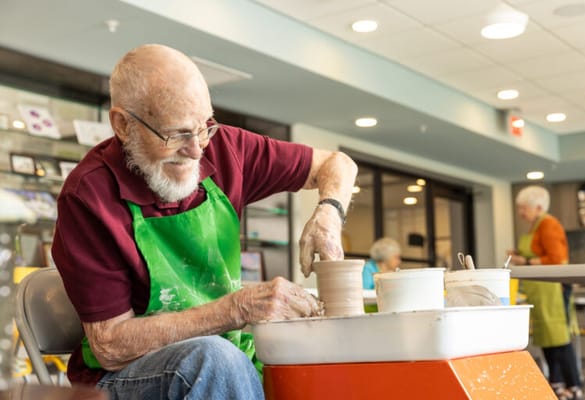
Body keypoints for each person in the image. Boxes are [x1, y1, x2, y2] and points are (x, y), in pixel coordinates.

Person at [51, 44, 357, 399]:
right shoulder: (88, 196)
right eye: (177, 134)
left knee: (317, 353)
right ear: (123, 124)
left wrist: (329, 212)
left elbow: (338, 164)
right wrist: (236, 308)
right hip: (123, 376)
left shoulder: (225, 147)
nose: (197, 149)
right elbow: (111, 345)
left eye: (204, 127)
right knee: (214, 359)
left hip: (225, 355)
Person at [508, 185, 582, 400]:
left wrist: (525, 260)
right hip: (539, 290)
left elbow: (557, 260)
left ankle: (573, 385)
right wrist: (520, 255)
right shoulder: (534, 227)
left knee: (559, 338)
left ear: (538, 207)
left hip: (553, 288)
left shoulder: (549, 224)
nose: (521, 213)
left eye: (524, 208)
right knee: (546, 338)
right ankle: (556, 384)